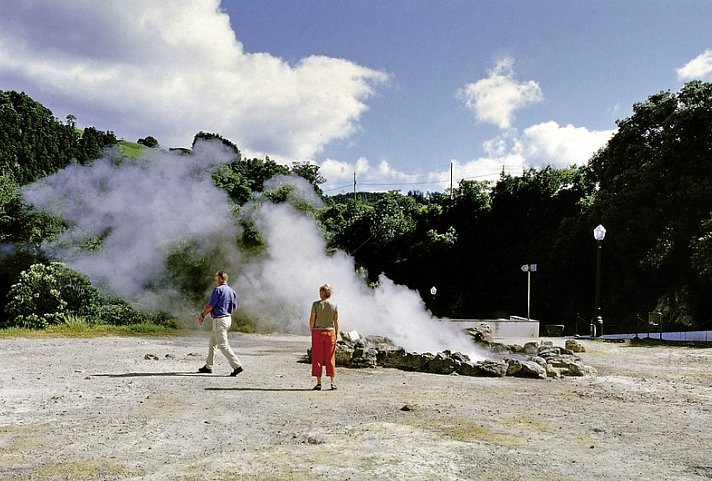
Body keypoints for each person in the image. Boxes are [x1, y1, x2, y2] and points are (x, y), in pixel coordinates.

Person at [196, 270, 244, 376]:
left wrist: (203, 315)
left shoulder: (218, 290)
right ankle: (208, 366)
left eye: (216, 278)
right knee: (213, 343)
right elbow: (235, 307)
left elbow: (210, 306)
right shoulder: (232, 291)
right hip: (227, 319)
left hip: (220, 319)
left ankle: (237, 366)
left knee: (223, 345)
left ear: (221, 279)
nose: (215, 280)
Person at [309, 283, 339, 390]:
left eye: (320, 291)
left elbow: (312, 319)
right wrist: (336, 333)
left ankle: (319, 383)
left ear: (323, 293)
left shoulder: (316, 305)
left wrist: (311, 330)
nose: (319, 293)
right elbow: (335, 321)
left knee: (317, 357)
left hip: (318, 332)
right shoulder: (334, 305)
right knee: (330, 358)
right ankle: (332, 382)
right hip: (330, 333)